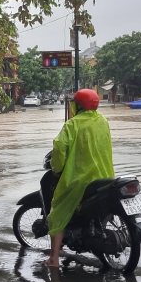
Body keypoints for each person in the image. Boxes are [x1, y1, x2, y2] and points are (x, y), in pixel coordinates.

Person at [44, 89, 115, 268]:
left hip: (79, 179)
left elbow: (59, 148)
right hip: (104, 177)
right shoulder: (103, 121)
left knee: (57, 212)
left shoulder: (72, 124)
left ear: (77, 105)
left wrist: (56, 168)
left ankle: (53, 259)